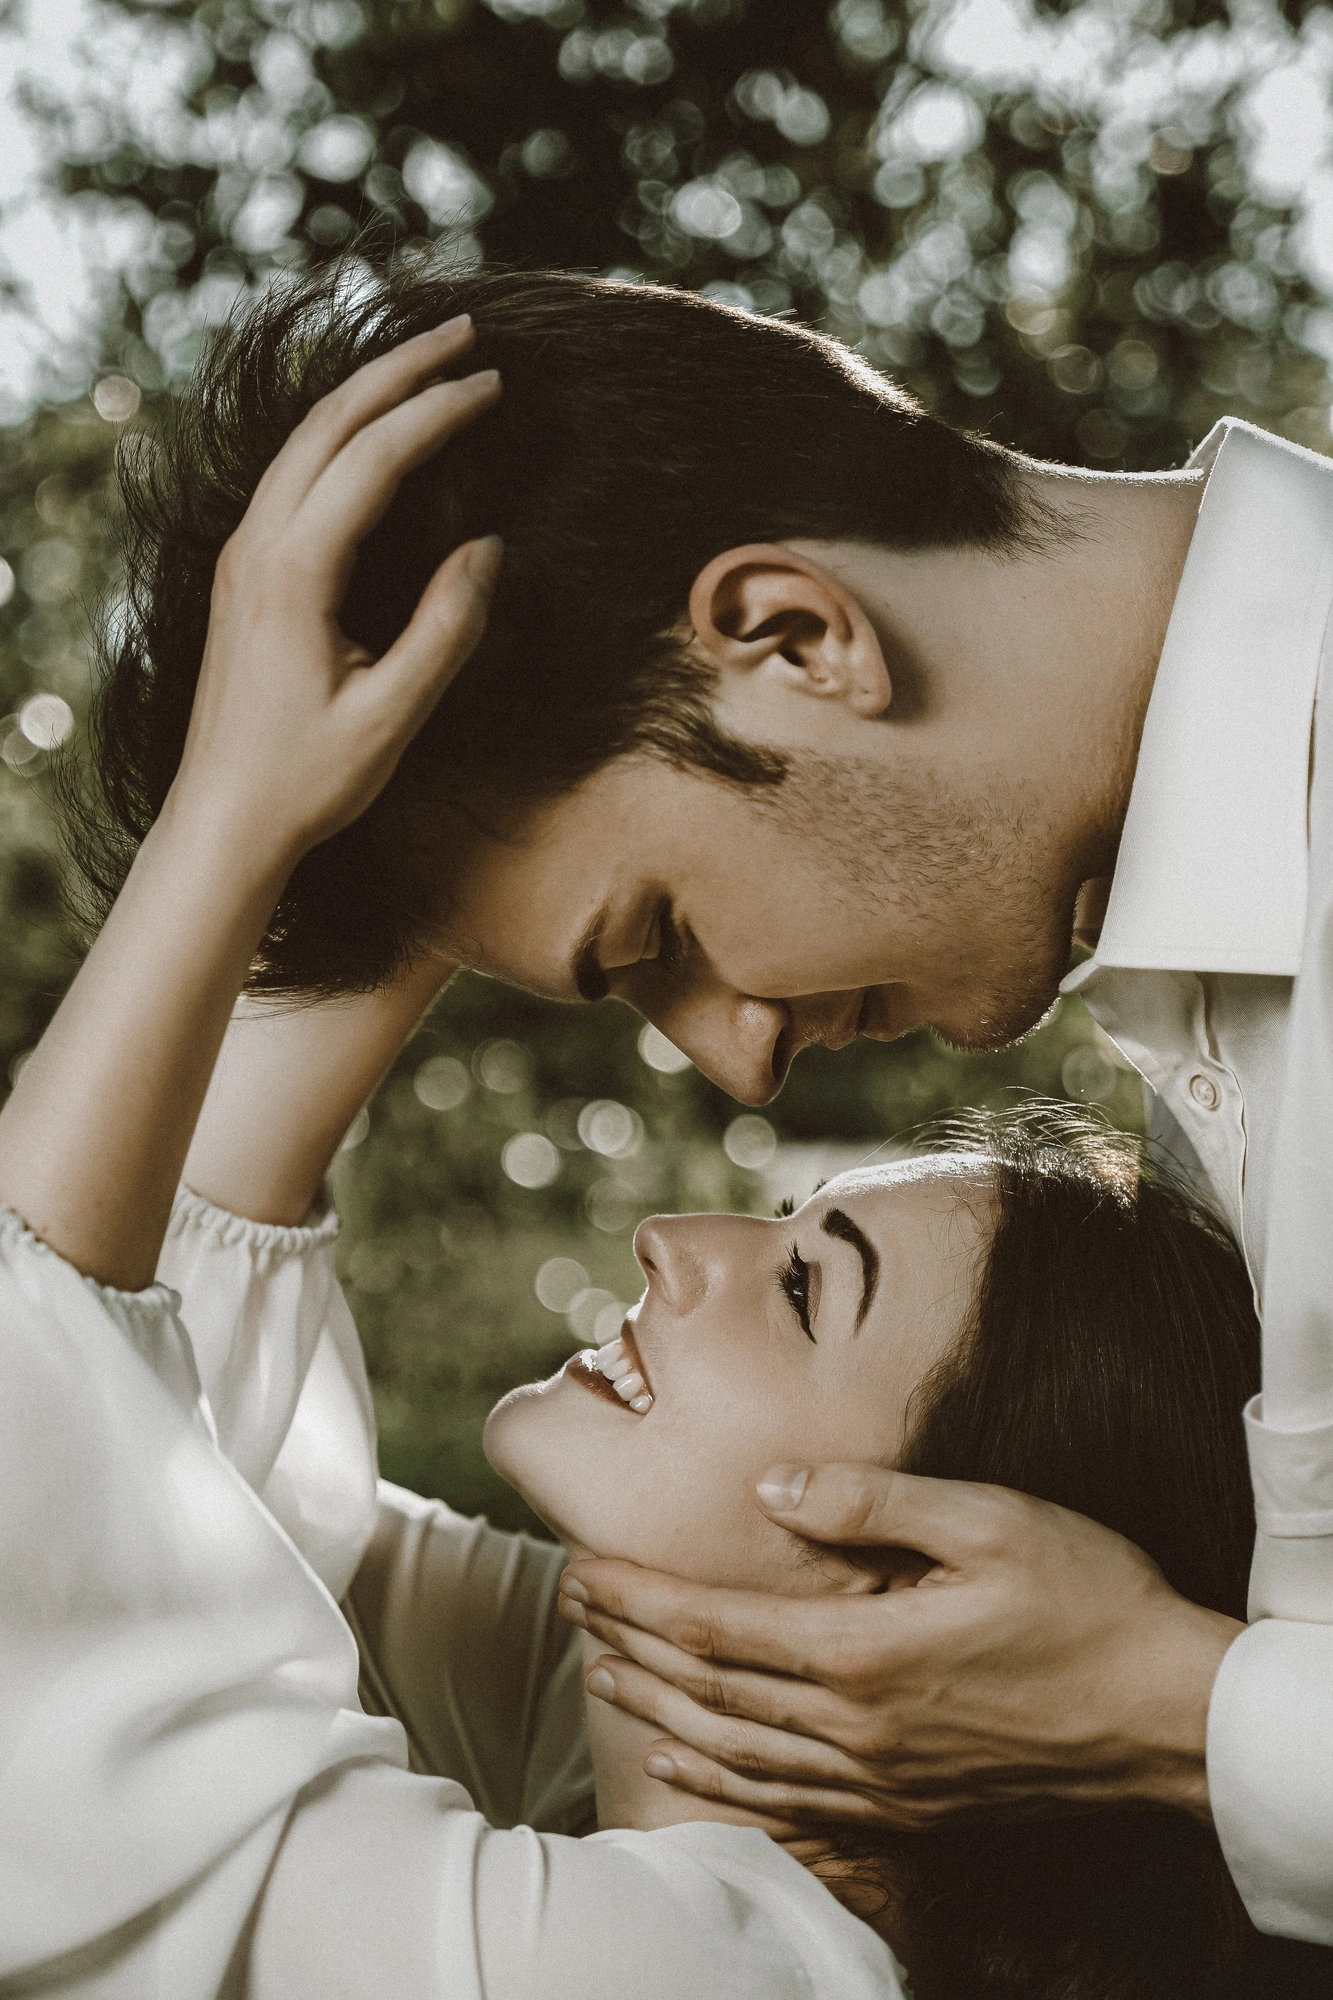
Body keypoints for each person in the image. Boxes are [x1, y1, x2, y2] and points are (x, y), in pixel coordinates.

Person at [66, 255, 1333, 1946]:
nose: (735, 1059)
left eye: (659, 933)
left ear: (795, 637)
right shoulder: (1231, 1001)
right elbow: (158, 1518)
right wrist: (326, 837)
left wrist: (1180, 1713)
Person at [0, 323, 897, 2000]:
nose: (674, 1242)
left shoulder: (691, 1975)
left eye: (806, 1280)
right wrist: (438, 825)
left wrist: (239, 814)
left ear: (921, 1559)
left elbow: (38, 1506)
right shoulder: (678, 1748)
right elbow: (208, 1479)